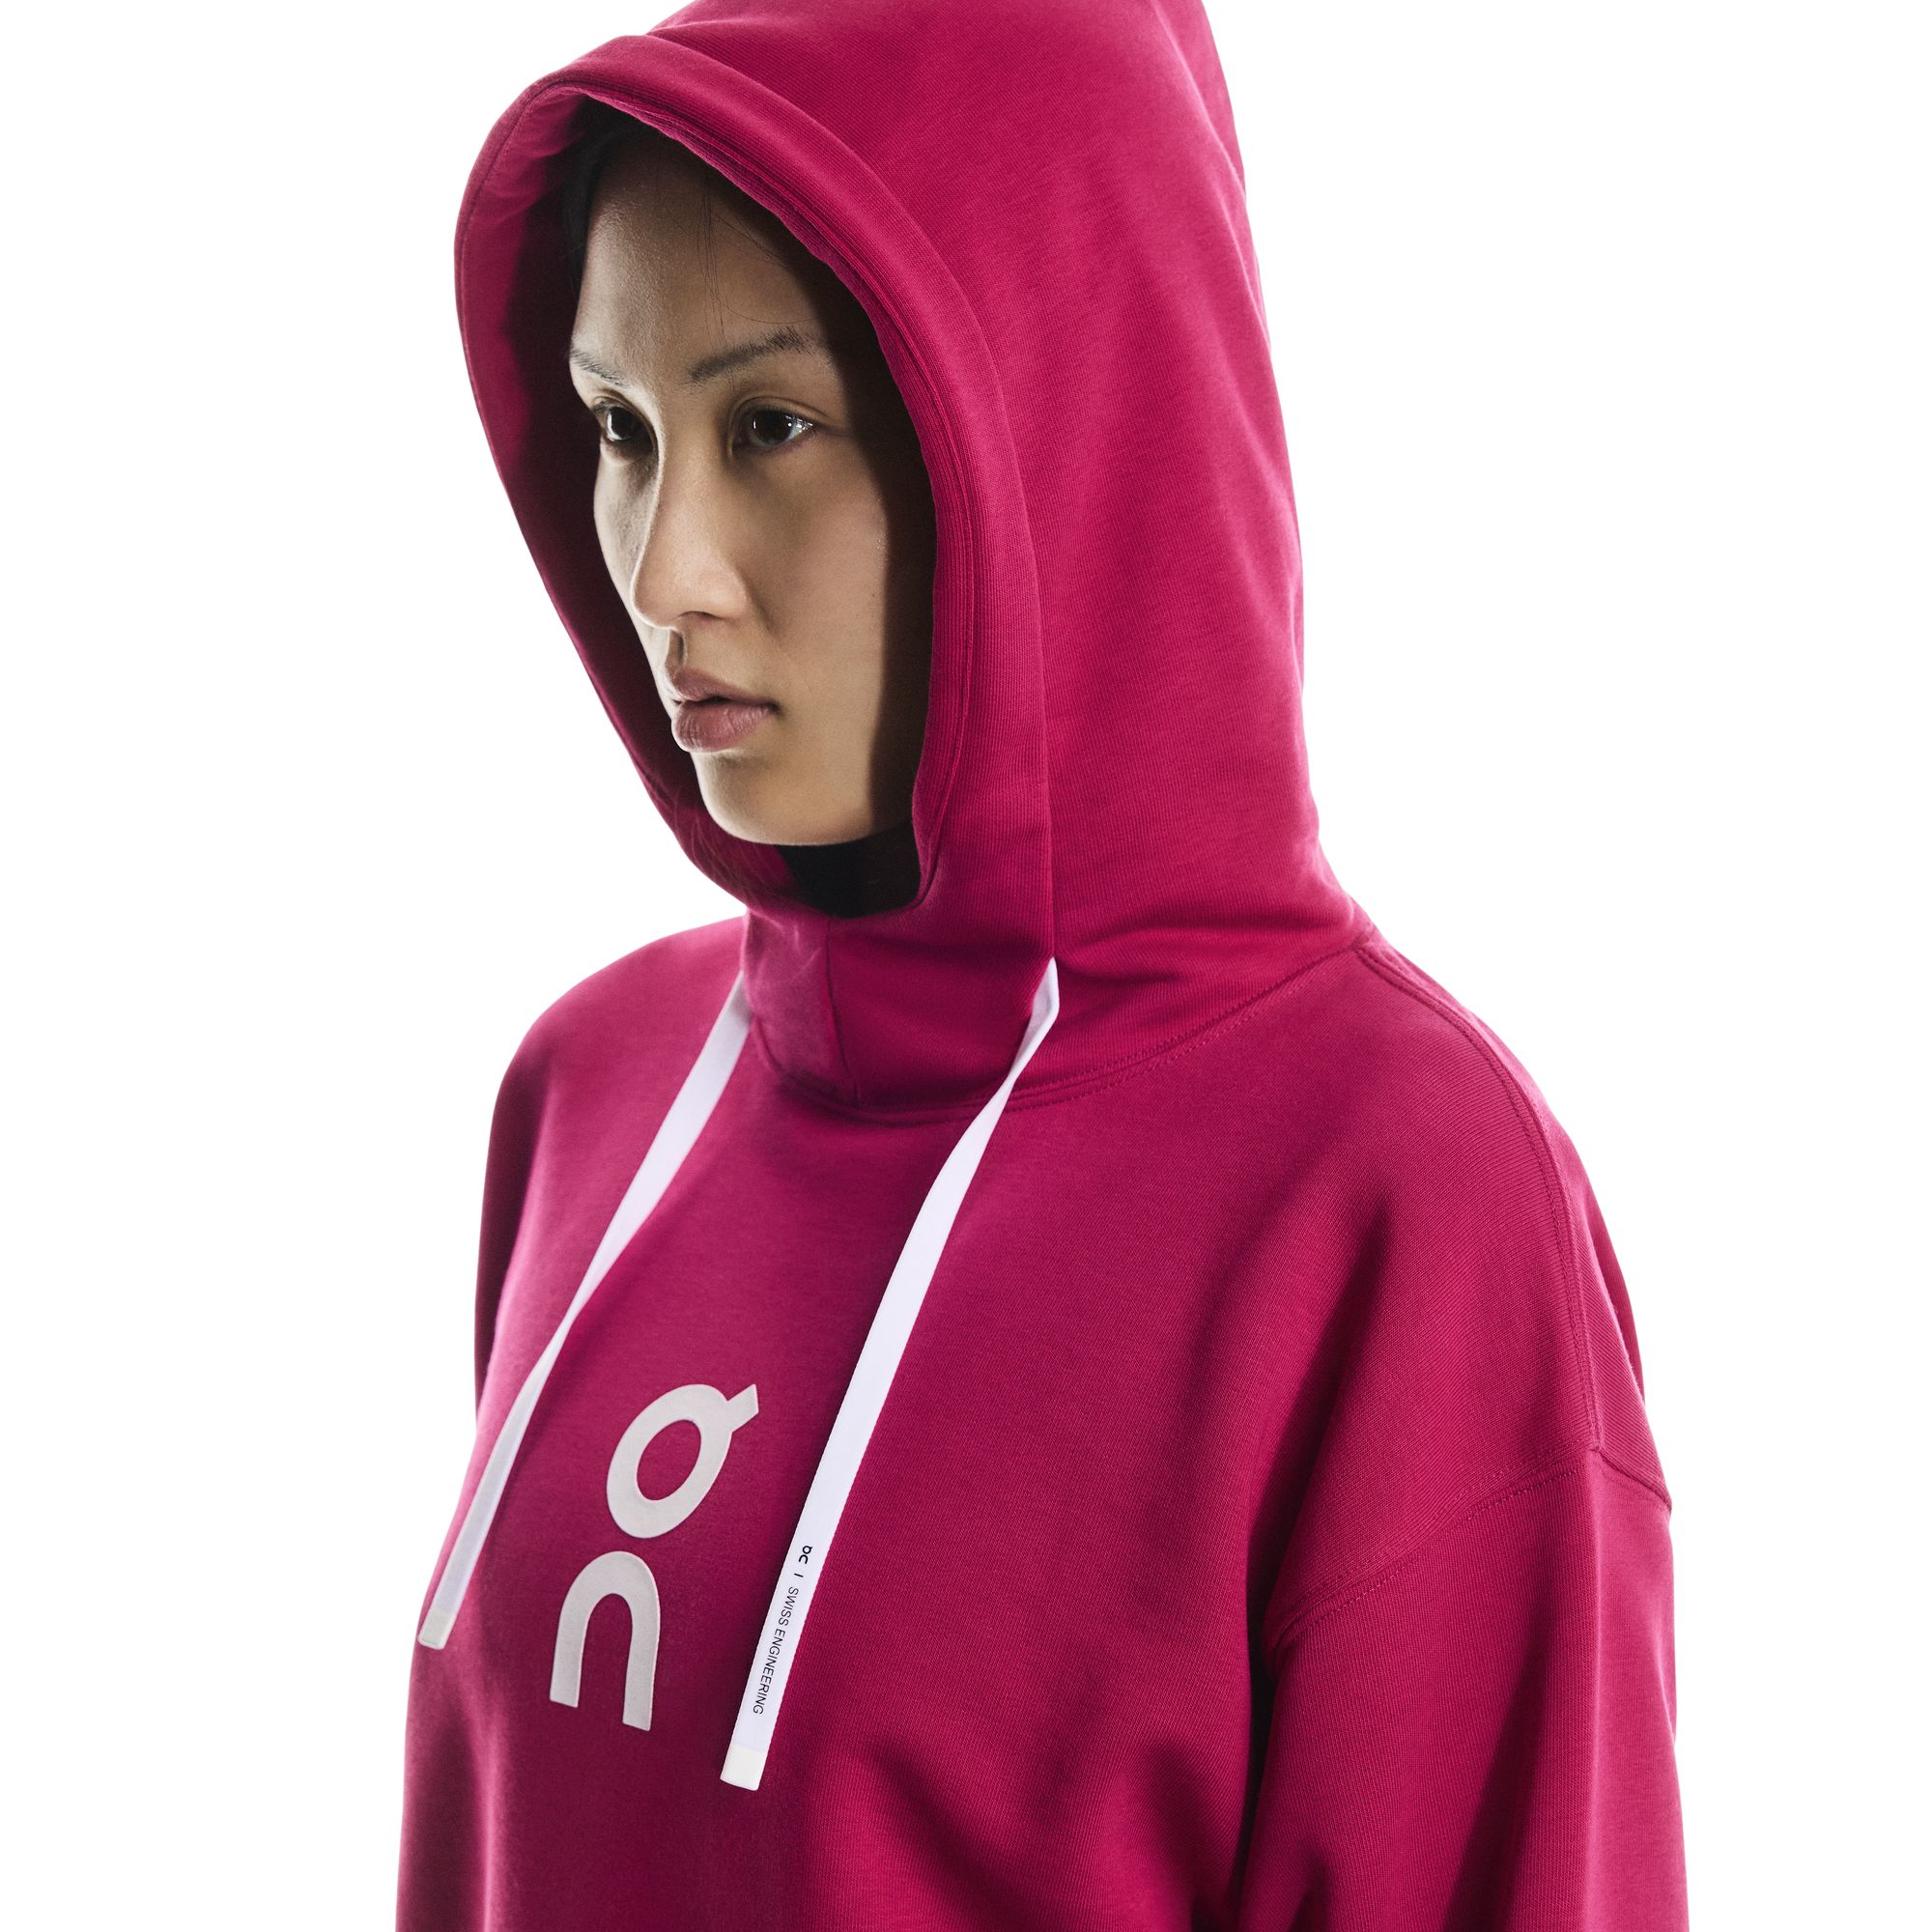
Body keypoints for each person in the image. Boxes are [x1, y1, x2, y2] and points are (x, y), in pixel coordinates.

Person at [396, 3, 1690, 1927]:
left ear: (1059, 419)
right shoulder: (597, 1086)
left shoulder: (1395, 1200)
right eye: (619, 432)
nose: (664, 570)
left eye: (770, 428)